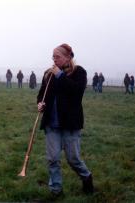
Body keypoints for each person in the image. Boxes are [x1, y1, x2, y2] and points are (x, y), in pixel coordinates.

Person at [37, 43, 94, 196]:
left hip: (70, 124)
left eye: (58, 57)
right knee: (53, 159)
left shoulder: (79, 72)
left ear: (68, 57)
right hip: (52, 124)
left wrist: (60, 76)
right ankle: (56, 190)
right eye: (53, 57)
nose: (54, 60)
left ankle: (87, 177)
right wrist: (40, 103)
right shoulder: (48, 74)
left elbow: (76, 92)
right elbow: (42, 93)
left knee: (73, 159)